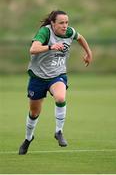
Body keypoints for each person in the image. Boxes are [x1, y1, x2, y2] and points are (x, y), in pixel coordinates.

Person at [18, 10, 92, 155]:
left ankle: (58, 131)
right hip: (38, 77)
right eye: (61, 23)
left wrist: (89, 53)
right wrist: (51, 47)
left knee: (60, 97)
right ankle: (28, 139)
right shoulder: (45, 32)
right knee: (34, 112)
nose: (65, 26)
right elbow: (33, 49)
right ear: (53, 23)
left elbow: (80, 37)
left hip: (57, 75)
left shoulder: (69, 32)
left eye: (66, 22)